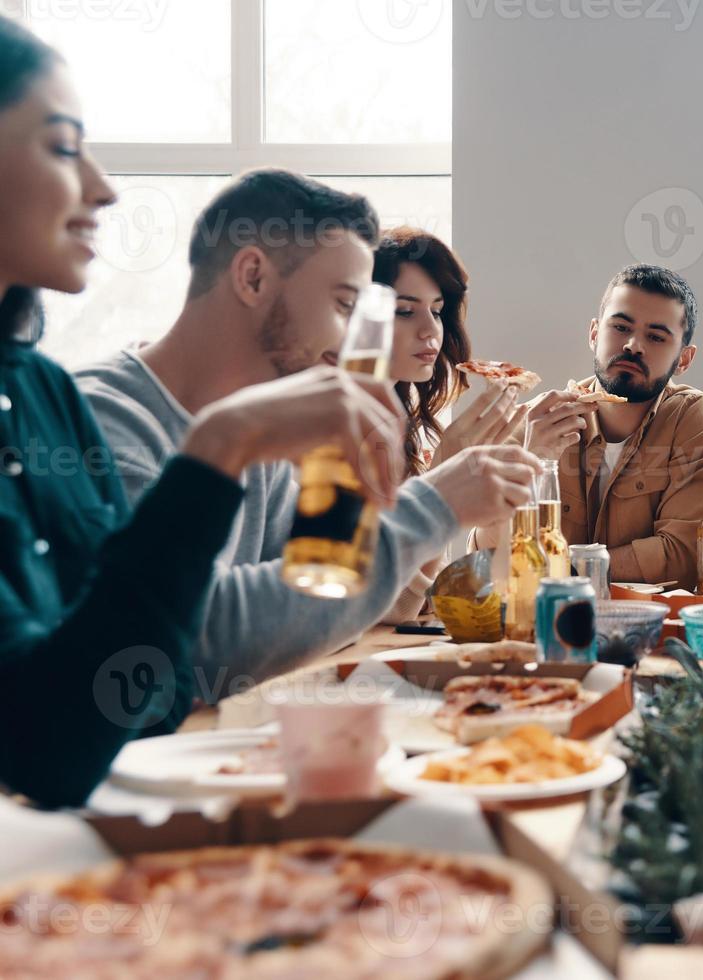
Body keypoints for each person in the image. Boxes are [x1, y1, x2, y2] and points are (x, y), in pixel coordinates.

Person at [0, 17, 429, 806]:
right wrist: (223, 448)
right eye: (63, 148)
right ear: (254, 275)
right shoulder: (105, 408)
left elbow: (145, 685)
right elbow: (57, 734)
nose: (104, 187)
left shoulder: (41, 394)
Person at [77, 171, 539, 698]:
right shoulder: (101, 419)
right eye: (346, 306)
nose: (354, 343)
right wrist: (433, 505)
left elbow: (316, 609)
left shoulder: (273, 433)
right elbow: (189, 637)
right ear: (252, 277)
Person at [516, 264, 703, 590]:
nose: (633, 345)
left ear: (684, 359)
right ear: (593, 333)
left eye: (656, 336)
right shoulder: (540, 421)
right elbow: (491, 557)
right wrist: (529, 466)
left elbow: (688, 556)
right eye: (620, 327)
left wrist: (557, 570)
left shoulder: (694, 418)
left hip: (653, 628)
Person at [373, 226, 526, 622]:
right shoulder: (325, 430)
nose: (430, 330)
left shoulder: (403, 428)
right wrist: (439, 485)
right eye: (405, 311)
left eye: (437, 311)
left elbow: (424, 599)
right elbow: (384, 610)